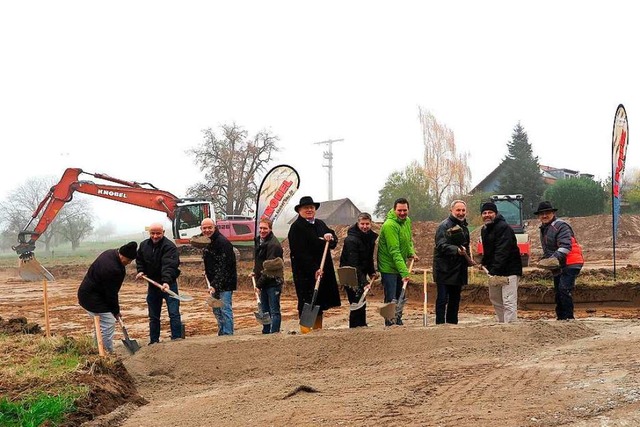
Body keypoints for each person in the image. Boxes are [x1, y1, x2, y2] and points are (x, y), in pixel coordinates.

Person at [288, 196, 341, 333]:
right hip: (305, 273)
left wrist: (330, 236)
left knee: (319, 302)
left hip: (323, 270)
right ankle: (306, 331)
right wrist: (313, 269)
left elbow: (333, 241)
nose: (309, 210)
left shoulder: (320, 224)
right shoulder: (296, 228)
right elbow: (299, 253)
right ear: (299, 210)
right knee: (307, 302)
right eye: (306, 208)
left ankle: (318, 330)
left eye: (312, 207)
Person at [78, 241, 137, 353]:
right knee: (108, 322)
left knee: (100, 323)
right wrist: (116, 311)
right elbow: (111, 294)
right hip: (91, 297)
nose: (129, 263)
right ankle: (106, 352)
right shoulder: (113, 269)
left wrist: (114, 310)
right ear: (122, 255)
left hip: (89, 293)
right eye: (128, 260)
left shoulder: (110, 253)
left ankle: (97, 349)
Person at [534, 201, 584, 320]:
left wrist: (551, 259)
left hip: (571, 262)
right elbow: (549, 249)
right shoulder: (544, 228)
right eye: (542, 214)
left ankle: (568, 319)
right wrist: (545, 259)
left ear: (553, 213)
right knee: (558, 291)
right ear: (538, 216)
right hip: (559, 264)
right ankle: (561, 318)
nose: (544, 216)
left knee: (564, 289)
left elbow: (566, 246)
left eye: (547, 213)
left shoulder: (561, 226)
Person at [135, 222, 183, 344]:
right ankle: (154, 341)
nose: (155, 236)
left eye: (158, 233)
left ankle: (176, 339)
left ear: (163, 233)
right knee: (153, 315)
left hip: (169, 285)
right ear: (149, 233)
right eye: (152, 233)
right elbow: (140, 260)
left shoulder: (169, 247)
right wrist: (141, 271)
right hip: (153, 286)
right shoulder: (144, 245)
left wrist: (166, 281)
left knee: (173, 313)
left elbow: (169, 265)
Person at [479, 201, 523, 323]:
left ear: (496, 213)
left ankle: (510, 327)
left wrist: (494, 270)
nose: (487, 215)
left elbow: (503, 251)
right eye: (484, 213)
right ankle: (502, 323)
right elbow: (488, 250)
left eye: (490, 212)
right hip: (495, 271)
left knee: (508, 300)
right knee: (495, 298)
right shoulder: (485, 230)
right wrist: (483, 262)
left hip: (509, 270)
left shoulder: (504, 228)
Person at [377, 198, 417, 326]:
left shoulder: (407, 221)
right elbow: (394, 251)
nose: (402, 213)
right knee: (391, 298)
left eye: (405, 210)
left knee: (401, 295)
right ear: (394, 210)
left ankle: (398, 320)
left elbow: (408, 240)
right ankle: (389, 323)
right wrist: (404, 272)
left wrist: (411, 252)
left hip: (399, 265)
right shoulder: (389, 225)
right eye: (399, 210)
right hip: (388, 267)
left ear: (408, 210)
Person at [433, 199, 473, 325]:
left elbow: (466, 246)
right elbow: (440, 245)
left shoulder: (464, 227)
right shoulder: (443, 226)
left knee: (455, 299)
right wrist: (456, 250)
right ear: (451, 211)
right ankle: (440, 324)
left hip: (458, 269)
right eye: (458, 210)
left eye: (463, 210)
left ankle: (452, 324)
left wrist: (469, 259)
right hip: (444, 269)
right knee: (443, 299)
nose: (461, 213)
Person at [339, 212, 378, 328]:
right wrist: (364, 282)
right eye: (362, 224)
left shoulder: (370, 237)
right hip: (349, 273)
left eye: (367, 224)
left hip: (360, 272)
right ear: (358, 223)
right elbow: (353, 264)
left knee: (362, 301)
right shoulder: (351, 240)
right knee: (356, 301)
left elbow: (368, 257)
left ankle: (362, 325)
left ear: (370, 224)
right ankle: (355, 327)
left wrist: (371, 272)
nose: (365, 226)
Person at [200, 217, 237, 335]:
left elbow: (224, 266)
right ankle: (221, 332)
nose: (207, 230)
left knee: (225, 309)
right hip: (214, 282)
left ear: (214, 227)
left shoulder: (223, 243)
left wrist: (215, 284)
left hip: (225, 282)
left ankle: (228, 334)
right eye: (204, 228)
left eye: (209, 227)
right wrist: (207, 272)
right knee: (216, 309)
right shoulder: (206, 242)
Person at [252, 217, 284, 334]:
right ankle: (265, 331)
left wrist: (258, 285)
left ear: (270, 229)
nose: (262, 231)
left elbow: (269, 269)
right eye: (260, 228)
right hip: (263, 280)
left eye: (265, 228)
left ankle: (274, 332)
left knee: (274, 310)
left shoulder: (273, 245)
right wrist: (255, 271)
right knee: (265, 309)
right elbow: (259, 261)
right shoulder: (258, 241)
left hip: (273, 281)